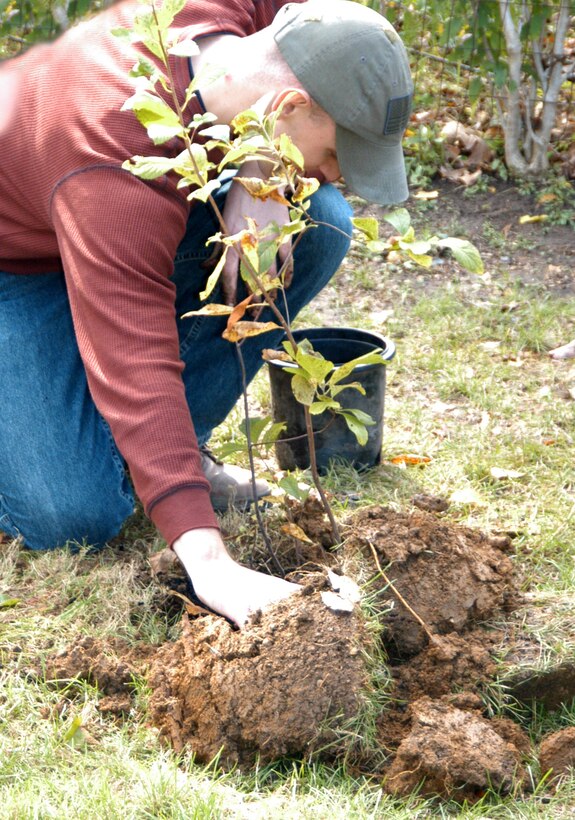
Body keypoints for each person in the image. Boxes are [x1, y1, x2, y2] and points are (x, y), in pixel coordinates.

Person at [0, 0, 413, 626]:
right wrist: (212, 565)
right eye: (336, 153)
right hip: (17, 265)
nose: (335, 172)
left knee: (318, 222)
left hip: (100, 218)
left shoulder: (237, 22)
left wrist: (260, 170)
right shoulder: (116, 155)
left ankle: (170, 453)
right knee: (74, 515)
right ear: (289, 108)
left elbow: (307, 19)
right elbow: (136, 361)